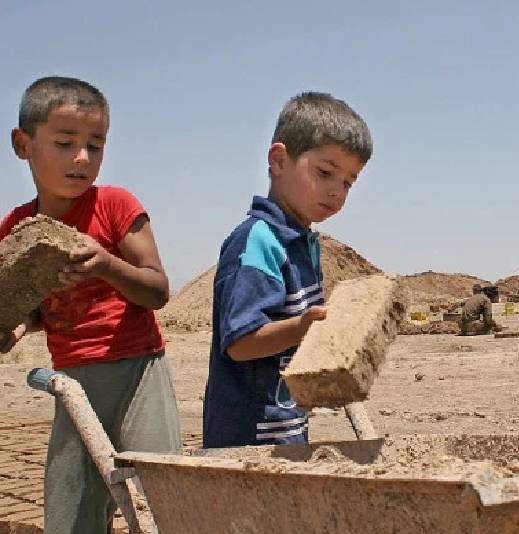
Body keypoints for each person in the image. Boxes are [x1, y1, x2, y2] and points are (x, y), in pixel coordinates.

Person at [0, 76, 181, 534]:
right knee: (70, 513)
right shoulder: (18, 229)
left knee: (161, 497)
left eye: (95, 146)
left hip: (139, 372)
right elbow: (31, 307)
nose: (82, 158)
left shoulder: (115, 205)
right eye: (65, 143)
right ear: (23, 145)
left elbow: (156, 290)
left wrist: (106, 266)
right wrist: (16, 329)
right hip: (73, 382)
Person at [203, 92, 372, 448]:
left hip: (286, 427)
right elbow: (240, 343)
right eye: (325, 173)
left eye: (347, 182)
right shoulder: (257, 242)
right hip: (247, 440)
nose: (336, 192)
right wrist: (303, 327)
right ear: (279, 160)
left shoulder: (303, 244)